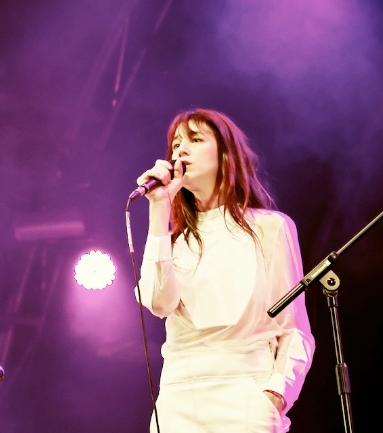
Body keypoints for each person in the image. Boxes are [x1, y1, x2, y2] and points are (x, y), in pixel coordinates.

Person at [134, 107, 315, 433]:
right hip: (178, 398)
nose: (180, 150)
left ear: (227, 156)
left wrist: (275, 394)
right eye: (175, 144)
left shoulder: (270, 228)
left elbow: (294, 330)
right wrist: (159, 208)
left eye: (195, 139)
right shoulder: (171, 241)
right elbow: (159, 303)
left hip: (245, 393)